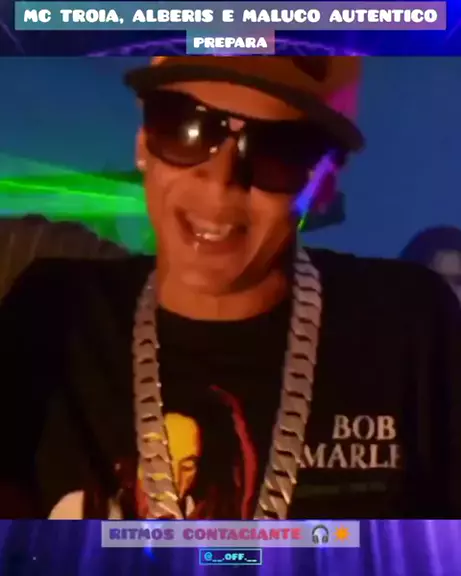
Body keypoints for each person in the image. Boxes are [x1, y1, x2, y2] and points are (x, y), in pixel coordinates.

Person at [0, 56, 460, 520]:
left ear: (324, 184)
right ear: (143, 144)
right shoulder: (53, 314)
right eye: (184, 127)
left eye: (275, 150)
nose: (220, 179)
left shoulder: (408, 326)